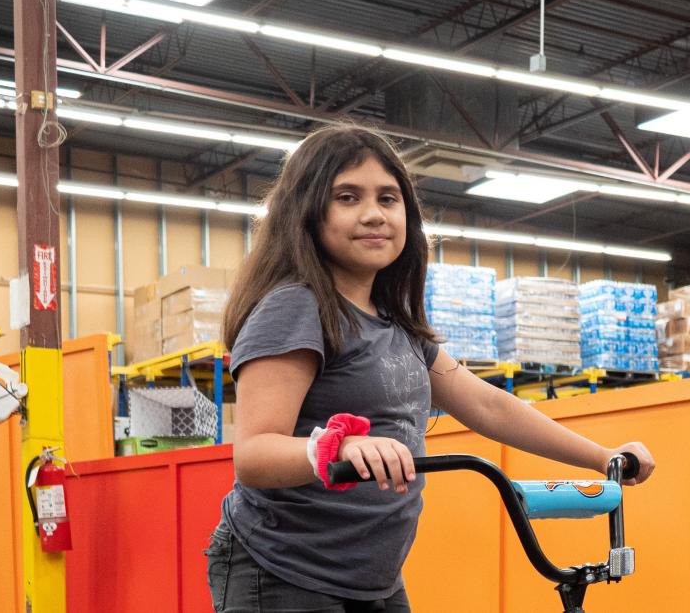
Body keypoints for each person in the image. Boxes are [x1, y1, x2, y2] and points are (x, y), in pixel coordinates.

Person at [203, 124, 655, 612]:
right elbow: (253, 455)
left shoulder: (398, 327)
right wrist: (342, 445)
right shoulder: (296, 308)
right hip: (282, 570)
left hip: (372, 577)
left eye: (389, 198)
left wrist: (601, 456)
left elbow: (487, 404)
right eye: (348, 197)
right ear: (308, 214)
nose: (374, 214)